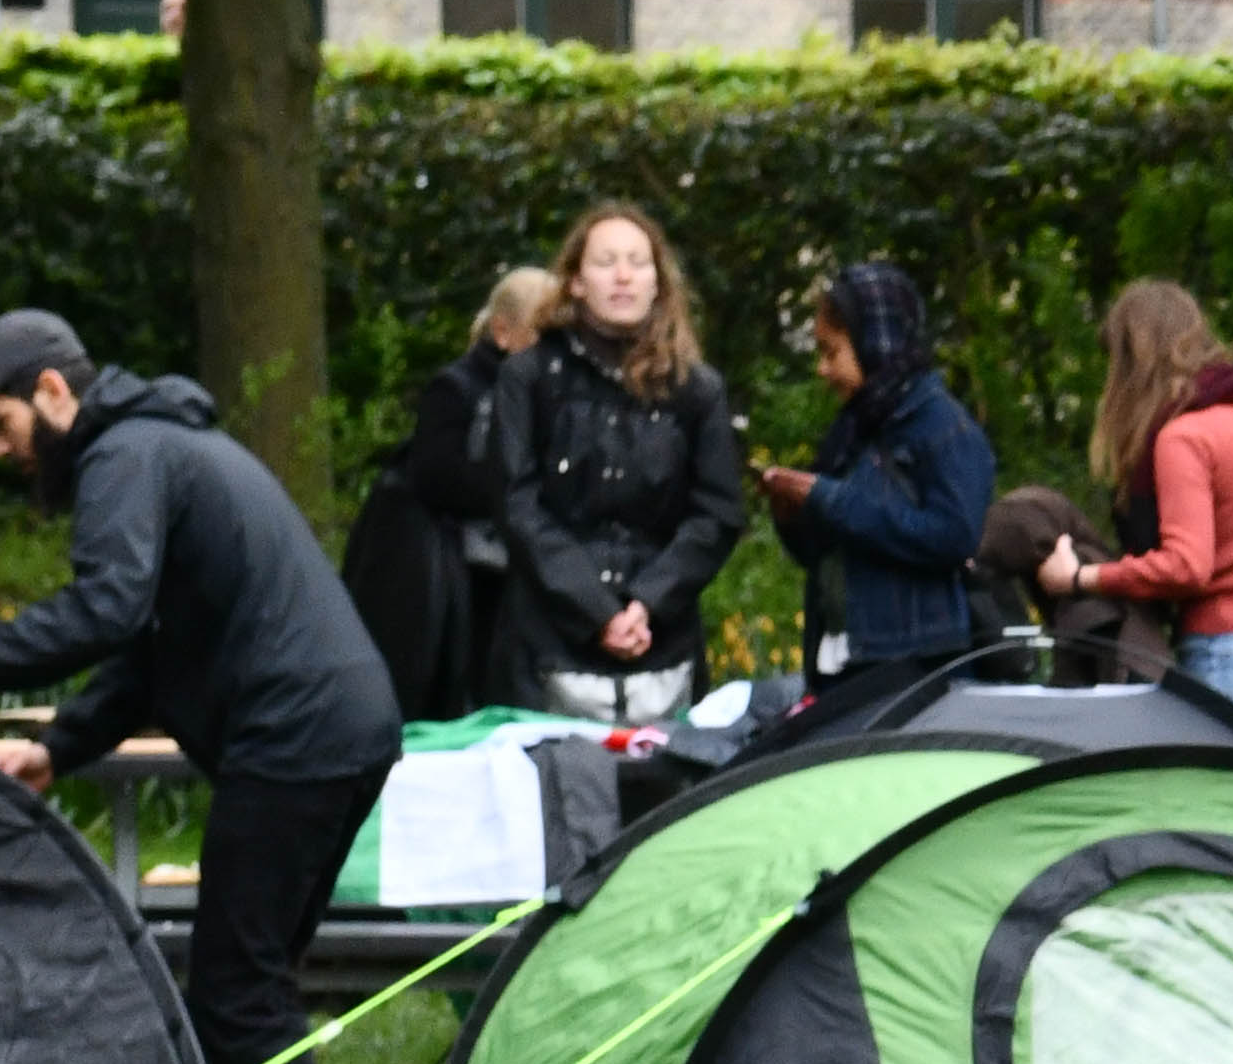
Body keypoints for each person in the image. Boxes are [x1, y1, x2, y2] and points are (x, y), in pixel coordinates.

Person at [0, 308, 405, 1064]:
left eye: (1, 425)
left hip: (299, 733)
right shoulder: (160, 446)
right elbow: (152, 647)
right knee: (257, 984)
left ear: (53, 392)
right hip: (340, 724)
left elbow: (105, 608)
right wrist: (61, 746)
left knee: (234, 990)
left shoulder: (125, 458)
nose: (0, 450)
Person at [493, 202, 748, 710]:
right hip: (549, 640)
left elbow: (718, 512)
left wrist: (649, 602)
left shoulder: (697, 389)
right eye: (606, 261)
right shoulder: (528, 377)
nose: (624, 276)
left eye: (638, 261)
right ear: (576, 281)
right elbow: (516, 505)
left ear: (659, 282)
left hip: (662, 638)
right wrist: (595, 610)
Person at [1046, 279, 1233, 734]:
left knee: (1221, 808)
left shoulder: (1182, 438)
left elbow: (1187, 565)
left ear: (1131, 362)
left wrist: (1079, 577)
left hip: (1232, 664)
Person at [747, 262, 1000, 698]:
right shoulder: (853, 430)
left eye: (832, 353)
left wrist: (829, 497)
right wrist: (792, 515)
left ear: (875, 343)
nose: (823, 370)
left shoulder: (944, 427)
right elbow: (828, 553)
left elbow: (954, 536)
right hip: (844, 664)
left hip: (921, 670)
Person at [349, 261, 558, 718]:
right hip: (462, 575)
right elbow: (437, 476)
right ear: (503, 333)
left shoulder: (555, 390)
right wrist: (520, 488)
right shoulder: (456, 388)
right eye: (542, 331)